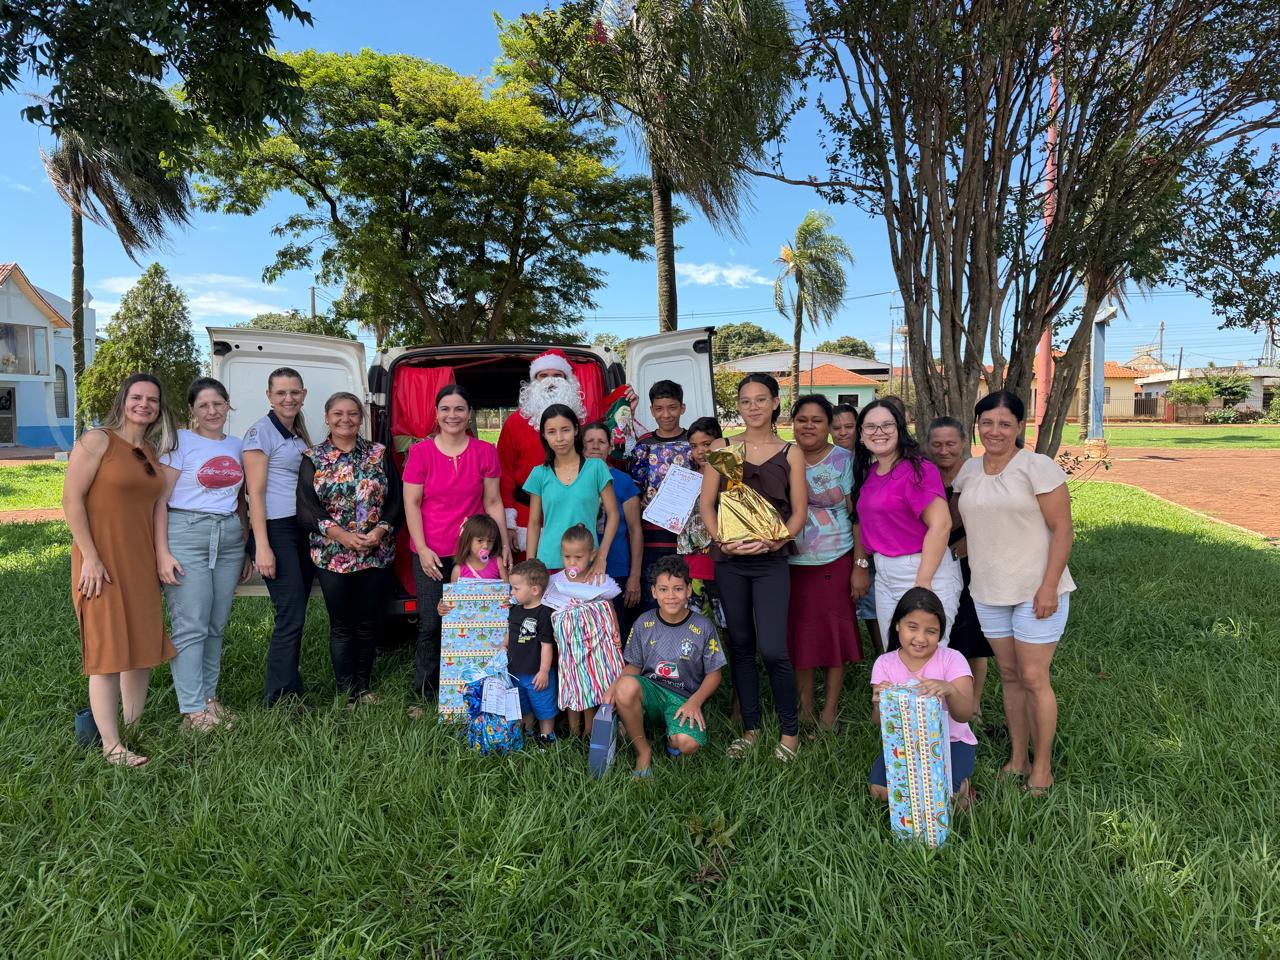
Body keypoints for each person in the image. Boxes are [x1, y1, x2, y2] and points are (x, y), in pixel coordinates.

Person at [953, 390, 1074, 796]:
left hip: (1036, 590)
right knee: (1008, 675)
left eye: (1005, 423)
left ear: (1019, 427)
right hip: (988, 590)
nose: (995, 431)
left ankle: (1042, 767)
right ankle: (1017, 757)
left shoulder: (1036, 468)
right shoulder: (969, 472)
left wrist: (1049, 586)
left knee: (1034, 677)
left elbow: (1062, 530)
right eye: (987, 423)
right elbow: (970, 521)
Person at [63, 373, 177, 766]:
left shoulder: (150, 451)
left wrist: (160, 555)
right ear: (123, 400)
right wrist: (90, 556)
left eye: (152, 400)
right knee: (110, 651)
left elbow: (157, 507)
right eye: (137, 397)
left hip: (140, 561)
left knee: (142, 649)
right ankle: (111, 745)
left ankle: (132, 727)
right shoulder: (97, 441)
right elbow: (71, 500)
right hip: (102, 562)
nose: (144, 404)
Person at [698, 373, 808, 762]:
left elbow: (799, 512)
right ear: (738, 407)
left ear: (776, 403)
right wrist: (721, 540)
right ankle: (751, 729)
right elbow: (707, 504)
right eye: (745, 401)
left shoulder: (791, 452)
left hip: (772, 561)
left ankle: (789, 733)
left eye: (761, 399)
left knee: (775, 649)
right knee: (742, 647)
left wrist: (779, 540)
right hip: (730, 563)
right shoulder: (723, 448)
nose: (754, 407)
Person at [154, 377, 250, 731]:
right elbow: (159, 500)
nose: (212, 411)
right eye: (204, 405)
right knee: (191, 624)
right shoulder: (180, 443)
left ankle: (210, 701)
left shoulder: (238, 445)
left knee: (215, 625)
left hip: (227, 536)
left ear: (228, 406)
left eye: (218, 404)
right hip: (186, 533)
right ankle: (192, 710)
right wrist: (162, 552)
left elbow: (240, 500)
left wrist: (244, 545)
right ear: (192, 410)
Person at [402, 384, 508, 703]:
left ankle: (474, 690)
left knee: (477, 625)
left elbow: (492, 502)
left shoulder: (485, 452)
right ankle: (425, 693)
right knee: (432, 623)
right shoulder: (421, 452)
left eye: (459, 409)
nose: (452, 415)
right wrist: (421, 548)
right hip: (431, 553)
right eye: (445, 409)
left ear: (469, 414)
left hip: (476, 555)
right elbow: (412, 503)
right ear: (436, 414)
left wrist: (500, 552)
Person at [296, 392, 402, 705]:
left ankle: (364, 687)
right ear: (327, 418)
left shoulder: (378, 453)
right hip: (333, 556)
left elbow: (396, 500)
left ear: (361, 418)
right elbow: (306, 509)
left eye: (353, 413)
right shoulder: (313, 457)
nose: (346, 419)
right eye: (339, 414)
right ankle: (347, 692)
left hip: (376, 552)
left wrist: (381, 530)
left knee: (368, 623)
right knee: (342, 626)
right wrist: (341, 535)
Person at [851, 398, 962, 646]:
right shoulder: (870, 473)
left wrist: (922, 583)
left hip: (922, 570)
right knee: (895, 656)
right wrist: (860, 563)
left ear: (900, 430)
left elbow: (941, 525)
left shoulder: (918, 469)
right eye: (870, 427)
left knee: (925, 658)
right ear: (861, 435)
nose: (879, 432)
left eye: (887, 425)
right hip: (885, 574)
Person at [606, 555, 726, 776]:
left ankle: (671, 738)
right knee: (625, 687)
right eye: (663, 589)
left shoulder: (703, 626)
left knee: (687, 744)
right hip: (651, 691)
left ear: (689, 590)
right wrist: (614, 689)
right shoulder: (644, 622)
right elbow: (634, 665)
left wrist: (695, 702)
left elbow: (714, 674)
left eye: (678, 589)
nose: (671, 596)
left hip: (683, 698)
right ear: (653, 592)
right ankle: (643, 752)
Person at [786, 395, 862, 733]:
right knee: (801, 637)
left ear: (828, 425)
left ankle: (829, 711)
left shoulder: (844, 460)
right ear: (792, 422)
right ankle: (804, 709)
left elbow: (858, 516)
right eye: (802, 419)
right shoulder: (784, 456)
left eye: (817, 420)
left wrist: (860, 564)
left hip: (837, 558)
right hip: (792, 562)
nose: (808, 426)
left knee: (835, 635)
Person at [243, 367, 314, 705]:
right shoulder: (261, 433)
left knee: (297, 610)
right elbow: (254, 494)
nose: (289, 398)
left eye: (294, 392)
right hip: (275, 529)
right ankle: (279, 695)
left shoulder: (296, 433)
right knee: (290, 612)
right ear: (269, 396)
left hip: (300, 529)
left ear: (304, 395)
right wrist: (263, 547)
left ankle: (291, 684)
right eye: (281, 393)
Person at [869, 587, 976, 808]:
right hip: (904, 742)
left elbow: (965, 714)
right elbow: (879, 722)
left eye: (931, 631)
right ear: (898, 624)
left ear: (941, 632)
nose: (920, 638)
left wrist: (951, 689)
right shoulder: (885, 663)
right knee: (880, 791)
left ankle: (963, 789)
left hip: (952, 741)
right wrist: (880, 703)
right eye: (912, 627)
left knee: (941, 798)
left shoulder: (952, 659)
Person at [926, 415, 993, 719]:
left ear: (964, 443)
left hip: (971, 563)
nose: (944, 450)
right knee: (943, 630)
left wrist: (971, 542)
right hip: (933, 561)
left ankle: (973, 703)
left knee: (974, 635)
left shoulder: (979, 474)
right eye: (937, 444)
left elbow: (996, 520)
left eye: (951, 443)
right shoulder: (923, 476)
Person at [497, 350, 594, 555]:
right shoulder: (515, 422)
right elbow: (503, 472)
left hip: (573, 514)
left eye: (557, 376)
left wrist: (623, 399)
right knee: (529, 582)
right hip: (526, 516)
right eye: (543, 375)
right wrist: (509, 523)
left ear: (569, 381)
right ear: (534, 381)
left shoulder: (582, 421)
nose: (550, 381)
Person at [542, 524, 623, 736]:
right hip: (568, 649)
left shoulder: (598, 580)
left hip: (595, 647)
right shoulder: (555, 581)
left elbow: (610, 609)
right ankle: (573, 732)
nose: (572, 562)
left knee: (591, 685)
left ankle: (590, 729)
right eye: (567, 556)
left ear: (591, 554)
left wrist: (616, 633)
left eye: (578, 557)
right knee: (572, 684)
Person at [524, 404, 619, 576]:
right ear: (544, 435)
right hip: (548, 562)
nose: (559, 438)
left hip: (587, 563)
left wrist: (601, 556)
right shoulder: (539, 474)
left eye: (565, 430)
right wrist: (531, 564)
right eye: (552, 432)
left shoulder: (596, 467)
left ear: (576, 430)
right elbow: (534, 523)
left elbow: (613, 514)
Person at [629, 380, 692, 600]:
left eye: (672, 407)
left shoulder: (694, 442)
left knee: (685, 598)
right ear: (652, 410)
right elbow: (635, 492)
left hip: (688, 538)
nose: (666, 414)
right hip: (651, 537)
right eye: (659, 409)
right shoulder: (643, 445)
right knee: (654, 598)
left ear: (682, 408)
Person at [583, 421, 643, 631]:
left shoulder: (624, 481)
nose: (595, 446)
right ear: (581, 446)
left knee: (616, 632)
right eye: (589, 441)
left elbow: (635, 531)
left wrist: (634, 576)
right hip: (580, 569)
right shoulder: (572, 478)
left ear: (610, 447)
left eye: (601, 441)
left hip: (616, 568)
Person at [833, 402, 882, 653]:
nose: (843, 432)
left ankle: (882, 656)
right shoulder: (828, 461)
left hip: (869, 542)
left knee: (873, 602)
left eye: (849, 426)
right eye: (836, 427)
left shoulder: (873, 460)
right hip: (837, 542)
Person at [504, 559, 558, 746]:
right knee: (523, 703)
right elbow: (510, 631)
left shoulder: (544, 613)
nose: (512, 592)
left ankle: (547, 735)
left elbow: (546, 645)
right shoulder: (516, 610)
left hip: (537, 673)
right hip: (516, 670)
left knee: (544, 705)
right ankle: (527, 729)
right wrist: (503, 646)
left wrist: (544, 671)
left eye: (516, 588)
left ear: (534, 590)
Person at [449, 514, 505, 581]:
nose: (486, 546)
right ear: (468, 540)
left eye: (490, 541)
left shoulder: (498, 563)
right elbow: (453, 591)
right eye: (480, 540)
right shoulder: (458, 571)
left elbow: (507, 588)